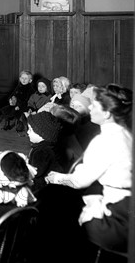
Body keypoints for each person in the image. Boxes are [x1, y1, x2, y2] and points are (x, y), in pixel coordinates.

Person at [45, 84, 132, 252]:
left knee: (57, 206)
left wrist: (56, 177)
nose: (90, 106)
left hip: (117, 221)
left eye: (95, 105)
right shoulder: (125, 132)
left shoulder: (105, 140)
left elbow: (79, 181)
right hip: (126, 205)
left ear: (106, 113)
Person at [26, 111, 62, 193]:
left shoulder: (41, 152)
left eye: (31, 130)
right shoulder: (49, 146)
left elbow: (35, 172)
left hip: (41, 188)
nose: (27, 132)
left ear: (42, 135)